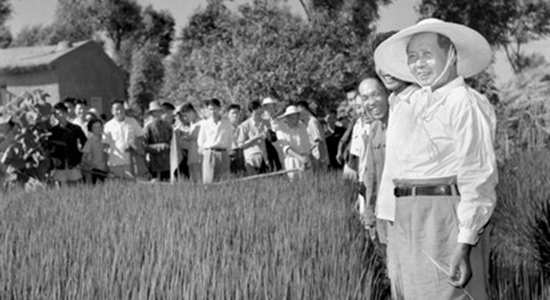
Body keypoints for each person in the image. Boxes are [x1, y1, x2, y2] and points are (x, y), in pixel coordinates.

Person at [374, 18, 497, 299]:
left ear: (451, 54)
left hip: (442, 216)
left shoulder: (464, 102)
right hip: (409, 215)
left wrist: (464, 243)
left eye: (428, 55)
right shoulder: (419, 102)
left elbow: (478, 175)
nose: (419, 64)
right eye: (412, 57)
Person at [103, 99, 145, 180]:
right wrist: (105, 163)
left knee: (132, 184)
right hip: (114, 162)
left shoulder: (132, 121)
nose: (120, 111)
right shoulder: (108, 125)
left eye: (122, 109)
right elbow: (105, 146)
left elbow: (141, 136)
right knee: (118, 185)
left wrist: (133, 145)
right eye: (117, 109)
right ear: (112, 111)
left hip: (130, 161)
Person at [48, 102, 88, 186]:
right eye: (57, 114)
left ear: (66, 113)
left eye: (62, 113)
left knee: (77, 188)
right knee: (62, 190)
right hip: (59, 165)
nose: (60, 116)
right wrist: (53, 159)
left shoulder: (75, 129)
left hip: (74, 163)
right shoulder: (52, 132)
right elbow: (49, 147)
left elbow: (85, 142)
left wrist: (80, 156)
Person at [197, 98, 233, 184]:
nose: (213, 112)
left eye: (215, 109)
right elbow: (201, 141)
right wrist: (205, 152)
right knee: (208, 181)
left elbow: (230, 139)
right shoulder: (205, 124)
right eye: (210, 109)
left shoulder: (226, 123)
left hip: (223, 153)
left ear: (219, 108)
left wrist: (228, 152)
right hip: (210, 153)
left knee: (224, 181)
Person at [275, 105, 311, 180]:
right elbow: (286, 148)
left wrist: (306, 158)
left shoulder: (302, 127)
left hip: (305, 159)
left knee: (308, 183)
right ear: (287, 118)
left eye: (297, 117)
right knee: (294, 182)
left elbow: (306, 144)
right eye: (292, 118)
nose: (295, 120)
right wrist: (300, 158)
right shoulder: (281, 129)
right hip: (292, 160)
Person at [237, 100, 269, 175]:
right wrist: (255, 138)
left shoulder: (266, 123)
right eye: (256, 114)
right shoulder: (245, 125)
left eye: (260, 113)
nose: (258, 116)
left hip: (264, 157)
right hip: (251, 158)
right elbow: (240, 145)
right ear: (251, 113)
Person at [296, 101, 329, 172]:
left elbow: (319, 141)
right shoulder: (306, 122)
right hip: (313, 156)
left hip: (318, 156)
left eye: (298, 111)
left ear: (304, 109)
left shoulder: (312, 122)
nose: (298, 114)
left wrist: (322, 159)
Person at [143, 101, 172, 181]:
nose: (158, 113)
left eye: (160, 111)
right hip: (154, 162)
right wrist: (159, 146)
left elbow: (172, 140)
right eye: (156, 111)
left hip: (168, 162)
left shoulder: (167, 125)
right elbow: (144, 145)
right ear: (152, 113)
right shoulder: (148, 127)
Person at [175, 103, 203, 182]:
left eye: (186, 115)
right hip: (192, 157)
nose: (185, 118)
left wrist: (183, 136)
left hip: (199, 157)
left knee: (199, 180)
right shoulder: (192, 124)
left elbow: (193, 136)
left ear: (191, 111)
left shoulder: (201, 123)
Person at [81, 119, 109, 184]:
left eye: (100, 127)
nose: (98, 129)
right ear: (91, 129)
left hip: (105, 169)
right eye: (95, 128)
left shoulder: (105, 140)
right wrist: (93, 165)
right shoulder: (90, 142)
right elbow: (83, 158)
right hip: (96, 170)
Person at [261, 97, 283, 172]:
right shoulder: (261, 119)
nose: (271, 108)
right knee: (270, 165)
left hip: (279, 144)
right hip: (267, 145)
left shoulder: (278, 119)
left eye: (273, 106)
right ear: (264, 107)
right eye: (269, 106)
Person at [227, 104, 245, 175]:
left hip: (241, 153)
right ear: (228, 115)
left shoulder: (242, 127)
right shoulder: (225, 127)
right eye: (233, 113)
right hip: (231, 154)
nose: (235, 115)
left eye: (237, 113)